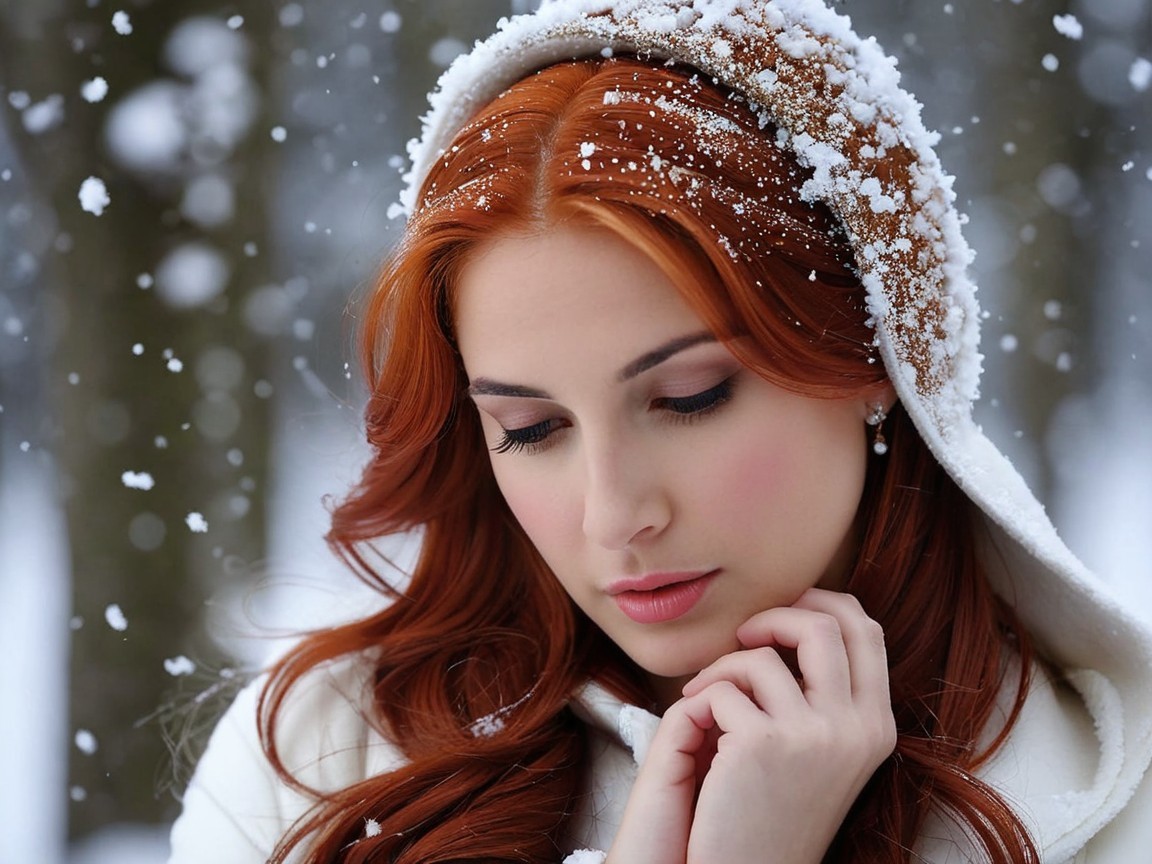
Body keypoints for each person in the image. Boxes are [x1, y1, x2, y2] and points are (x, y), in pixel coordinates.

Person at [167, 1, 1152, 862]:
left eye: (686, 399)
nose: (615, 515)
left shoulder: (1120, 804)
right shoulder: (318, 764)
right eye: (530, 427)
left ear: (875, 362)